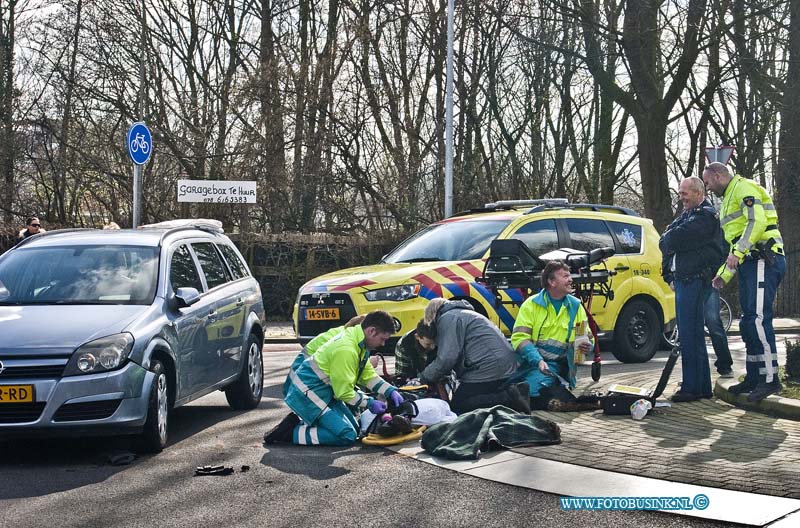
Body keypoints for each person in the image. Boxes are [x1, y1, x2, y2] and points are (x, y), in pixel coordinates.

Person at [704, 162, 786, 402]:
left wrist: (737, 255)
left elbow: (756, 223)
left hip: (764, 258)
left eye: (708, 182)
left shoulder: (744, 188)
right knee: (748, 323)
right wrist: (724, 274)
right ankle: (754, 377)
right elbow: (735, 244)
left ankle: (771, 379)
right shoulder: (729, 197)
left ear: (719, 176)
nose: (707, 187)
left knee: (758, 320)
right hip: (752, 262)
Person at [265, 310, 405, 446]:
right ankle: (290, 433)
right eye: (382, 339)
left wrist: (390, 390)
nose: (383, 344)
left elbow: (367, 376)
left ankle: (302, 423)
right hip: (308, 396)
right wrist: (370, 403)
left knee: (355, 429)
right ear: (371, 331)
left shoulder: (358, 343)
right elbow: (343, 392)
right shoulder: (347, 349)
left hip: (320, 393)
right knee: (347, 435)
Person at [660, 176, 725, 402]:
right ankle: (699, 386)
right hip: (684, 280)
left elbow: (674, 238)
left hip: (694, 280)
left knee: (691, 334)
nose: (681, 197)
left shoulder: (705, 216)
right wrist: (669, 273)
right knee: (690, 334)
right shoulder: (689, 215)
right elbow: (666, 240)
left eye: (684, 193)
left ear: (698, 193)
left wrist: (670, 238)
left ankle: (692, 387)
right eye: (680, 193)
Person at [418, 298, 530, 415]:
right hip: (501, 364)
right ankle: (508, 394)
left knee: (458, 405)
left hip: (489, 367)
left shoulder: (448, 318)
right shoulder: (464, 314)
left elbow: (447, 358)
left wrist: (423, 377)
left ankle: (509, 398)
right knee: (473, 396)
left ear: (432, 315)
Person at [511, 260, 594, 410]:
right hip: (528, 363)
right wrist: (538, 361)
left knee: (531, 391)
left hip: (557, 367)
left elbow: (586, 340)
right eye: (565, 276)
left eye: (569, 276)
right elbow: (520, 339)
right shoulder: (531, 305)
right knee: (517, 390)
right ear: (551, 282)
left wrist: (587, 346)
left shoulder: (575, 307)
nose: (571, 280)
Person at [393, 320, 437, 385]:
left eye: (434, 343)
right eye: (428, 344)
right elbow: (402, 375)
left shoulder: (442, 339)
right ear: (417, 337)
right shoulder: (403, 346)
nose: (432, 347)